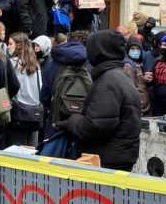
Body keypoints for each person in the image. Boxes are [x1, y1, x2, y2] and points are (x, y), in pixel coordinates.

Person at [57, 30, 141, 171]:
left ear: (99, 50)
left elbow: (97, 126)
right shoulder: (119, 76)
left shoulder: (108, 81)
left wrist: (72, 121)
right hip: (118, 155)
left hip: (107, 159)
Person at [40, 38, 88, 139]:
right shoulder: (88, 64)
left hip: (56, 122)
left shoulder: (52, 64)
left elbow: (44, 97)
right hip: (81, 123)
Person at [7, 33, 42, 146]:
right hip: (34, 113)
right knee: (32, 150)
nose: (8, 46)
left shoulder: (12, 63)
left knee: (17, 151)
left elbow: (9, 87)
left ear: (18, 46)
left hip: (18, 112)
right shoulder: (36, 65)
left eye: (10, 44)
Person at [123, 36, 151, 115]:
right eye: (132, 49)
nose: (135, 51)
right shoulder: (128, 66)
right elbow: (131, 89)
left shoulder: (137, 64)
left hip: (141, 108)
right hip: (137, 109)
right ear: (128, 50)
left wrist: (143, 78)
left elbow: (137, 81)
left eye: (138, 49)